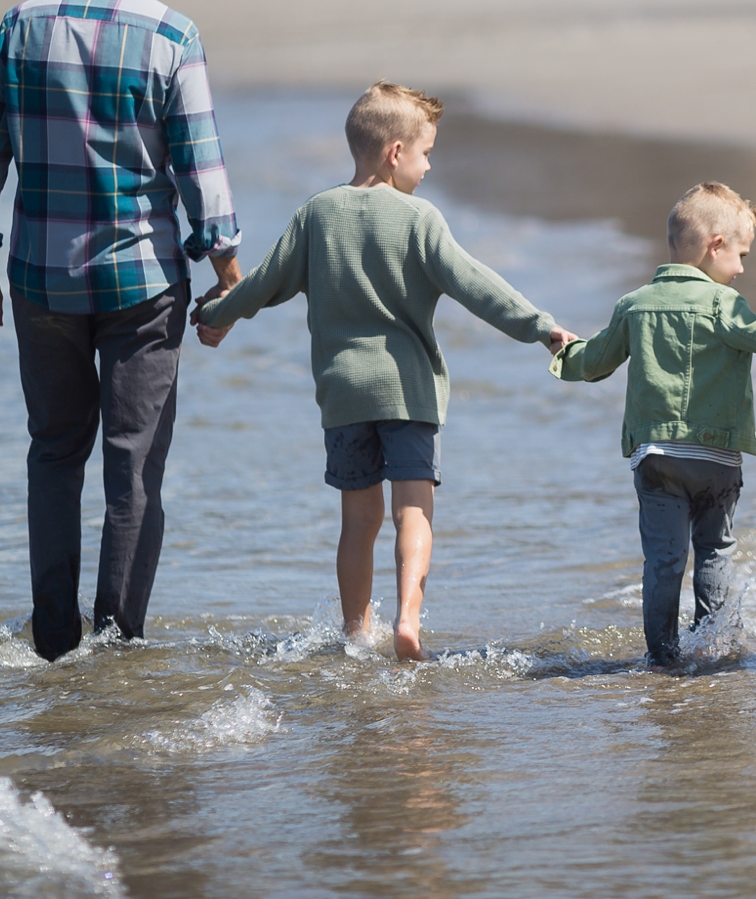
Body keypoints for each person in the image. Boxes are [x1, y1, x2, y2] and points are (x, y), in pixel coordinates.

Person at [0, 0, 242, 662]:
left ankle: (53, 641)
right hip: (144, 284)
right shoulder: (172, 33)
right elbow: (201, 168)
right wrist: (230, 275)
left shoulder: (23, 22)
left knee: (53, 453)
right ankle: (116, 646)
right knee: (132, 464)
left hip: (41, 279)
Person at [192, 80, 575, 660]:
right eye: (425, 155)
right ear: (396, 152)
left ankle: (354, 635)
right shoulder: (421, 219)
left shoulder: (316, 214)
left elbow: (265, 284)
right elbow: (476, 285)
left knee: (357, 521)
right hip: (409, 392)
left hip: (344, 396)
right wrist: (539, 326)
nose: (426, 168)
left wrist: (216, 312)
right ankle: (408, 623)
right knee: (412, 511)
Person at [550, 183, 756, 669]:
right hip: (717, 460)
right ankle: (713, 649)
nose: (742, 268)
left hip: (658, 459)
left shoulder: (634, 305)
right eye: (740, 254)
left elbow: (593, 363)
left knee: (663, 562)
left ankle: (662, 658)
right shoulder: (724, 304)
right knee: (715, 552)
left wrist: (563, 350)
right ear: (714, 245)